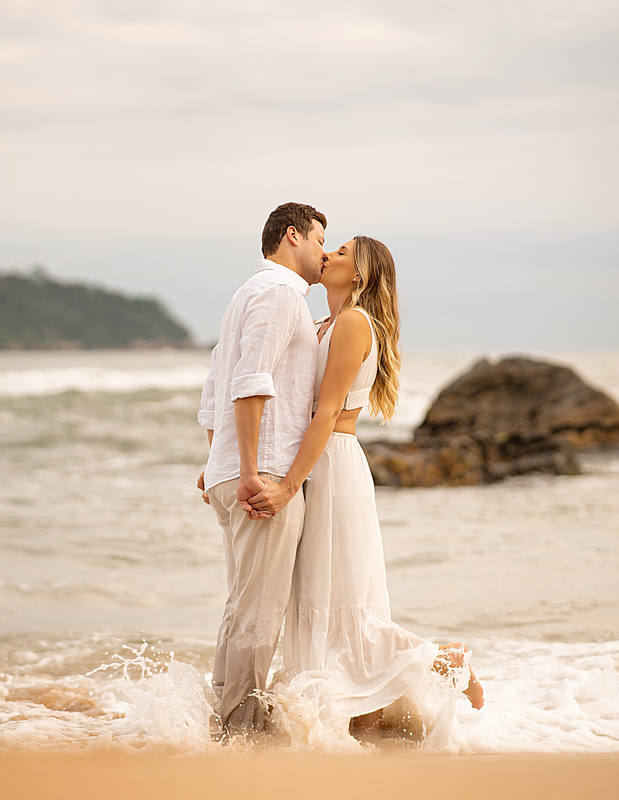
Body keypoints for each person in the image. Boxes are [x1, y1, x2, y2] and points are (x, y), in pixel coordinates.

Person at [243, 236, 484, 742]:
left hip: (331, 464)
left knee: (345, 599)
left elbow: (326, 414)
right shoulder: (321, 325)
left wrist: (288, 486)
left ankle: (444, 661)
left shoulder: (353, 323)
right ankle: (358, 723)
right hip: (316, 461)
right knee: (320, 594)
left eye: (344, 252)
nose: (328, 254)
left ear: (360, 275)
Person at [196, 201, 328, 736]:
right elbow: (251, 381)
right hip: (263, 474)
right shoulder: (278, 295)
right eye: (321, 240)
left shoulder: (243, 297)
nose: (325, 252)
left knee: (242, 604)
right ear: (292, 236)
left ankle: (221, 725)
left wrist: (219, 460)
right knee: (259, 611)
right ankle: (242, 735)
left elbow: (212, 391)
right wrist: (251, 470)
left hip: (234, 471)